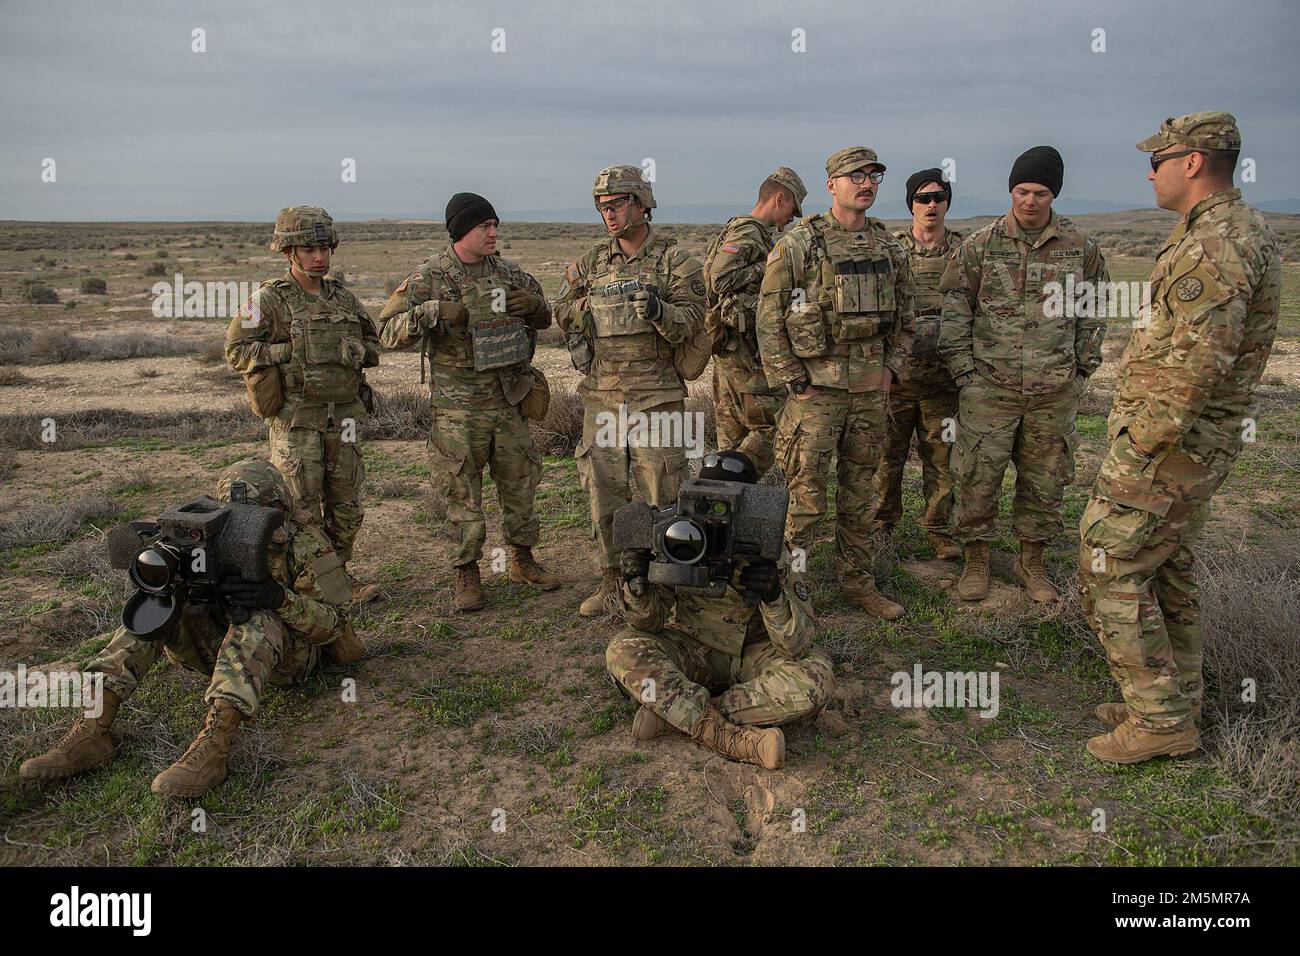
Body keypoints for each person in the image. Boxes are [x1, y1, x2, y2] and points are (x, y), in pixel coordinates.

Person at [1079, 112, 1281, 764]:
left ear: (1192, 161)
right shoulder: (1222, 231)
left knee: (1106, 561)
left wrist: (1139, 447)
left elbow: (1196, 364)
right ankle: (1174, 699)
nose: (1150, 171)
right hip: (1189, 444)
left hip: (1171, 448)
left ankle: (1160, 719)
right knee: (1167, 566)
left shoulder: (1215, 244)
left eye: (1158, 158)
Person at [20, 459, 363, 797]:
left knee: (258, 616)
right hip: (222, 648)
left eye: (255, 514)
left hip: (292, 658)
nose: (244, 524)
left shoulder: (305, 543)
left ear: (278, 507)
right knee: (155, 607)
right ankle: (93, 729)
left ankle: (214, 748)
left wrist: (277, 598)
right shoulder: (211, 535)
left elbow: (335, 624)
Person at [938, 147, 1107, 603]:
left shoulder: (1080, 248)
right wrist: (966, 375)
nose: (1030, 200)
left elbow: (1093, 312)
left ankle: (1031, 561)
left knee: (1046, 481)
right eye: (1022, 190)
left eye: (1041, 192)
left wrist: (1080, 370)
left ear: (1054, 195)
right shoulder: (980, 246)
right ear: (1011, 190)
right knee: (977, 476)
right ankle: (977, 561)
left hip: (1053, 391)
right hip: (988, 389)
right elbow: (954, 312)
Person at [376, 193, 557, 611]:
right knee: (462, 493)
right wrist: (433, 312)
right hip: (459, 411)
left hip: (509, 402)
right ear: (461, 232)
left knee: (521, 484)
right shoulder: (429, 278)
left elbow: (545, 316)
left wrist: (535, 306)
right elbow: (386, 332)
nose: (494, 233)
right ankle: (467, 571)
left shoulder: (511, 274)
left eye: (496, 225)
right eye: (484, 227)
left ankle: (522, 559)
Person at [756, 146, 915, 620]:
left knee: (860, 495)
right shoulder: (800, 244)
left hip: (869, 394)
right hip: (816, 395)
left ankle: (858, 584)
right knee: (804, 501)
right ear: (832, 185)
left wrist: (892, 369)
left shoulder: (889, 247)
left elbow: (909, 317)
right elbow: (769, 318)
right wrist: (794, 382)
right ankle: (791, 590)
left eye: (873, 177)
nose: (865, 184)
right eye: (854, 176)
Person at [604, 451, 833, 770]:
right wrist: (636, 583)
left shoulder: (777, 554)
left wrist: (773, 595)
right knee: (623, 648)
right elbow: (648, 624)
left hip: (756, 654)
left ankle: (677, 713)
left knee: (816, 677)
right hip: (693, 648)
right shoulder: (682, 537)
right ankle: (728, 737)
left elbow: (797, 646)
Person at [553, 165, 707, 617]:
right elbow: (560, 308)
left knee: (664, 494)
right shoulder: (591, 263)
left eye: (617, 204)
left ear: (642, 205)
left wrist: (661, 311)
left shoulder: (677, 261)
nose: (609, 214)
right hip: (601, 398)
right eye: (603, 207)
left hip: (657, 397)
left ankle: (668, 584)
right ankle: (616, 582)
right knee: (604, 493)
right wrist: (583, 311)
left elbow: (694, 322)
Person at [225, 206, 380, 602]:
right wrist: (285, 352)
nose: (319, 257)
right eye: (309, 249)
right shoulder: (269, 300)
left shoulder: (343, 298)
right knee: (301, 510)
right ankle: (309, 588)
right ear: (288, 252)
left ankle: (339, 577)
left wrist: (352, 350)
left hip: (342, 418)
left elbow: (373, 345)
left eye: (325, 248)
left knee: (347, 505)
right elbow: (235, 350)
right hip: (296, 422)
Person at [703, 166, 807, 476]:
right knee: (774, 427)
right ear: (779, 198)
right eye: (792, 208)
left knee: (732, 438)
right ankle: (727, 476)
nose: (792, 217)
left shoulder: (738, 229)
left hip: (730, 351)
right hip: (744, 354)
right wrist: (768, 269)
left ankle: (721, 502)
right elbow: (719, 279)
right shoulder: (749, 232)